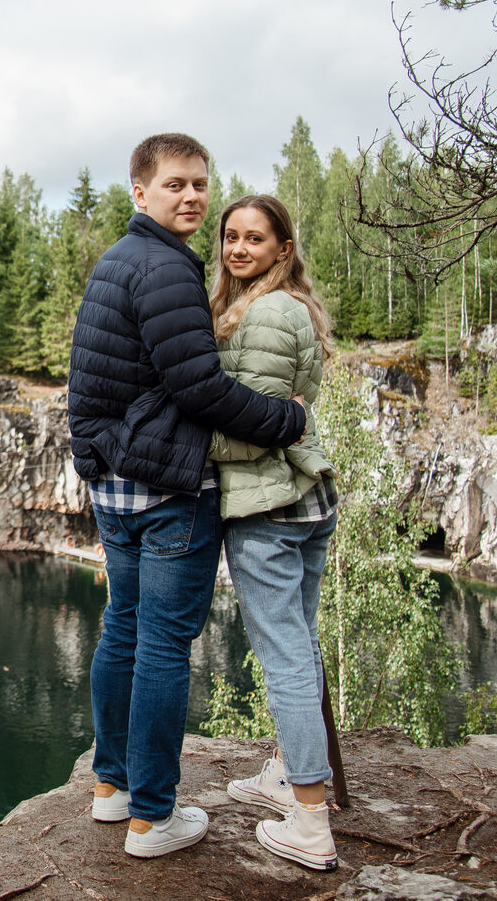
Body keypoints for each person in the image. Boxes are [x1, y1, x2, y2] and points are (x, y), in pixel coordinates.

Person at [67, 133, 307, 859]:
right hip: (167, 486)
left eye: (201, 183)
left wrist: (93, 455)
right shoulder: (167, 267)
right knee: (164, 643)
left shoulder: (119, 259)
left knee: (124, 627)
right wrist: (285, 419)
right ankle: (154, 816)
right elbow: (198, 386)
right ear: (141, 192)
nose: (193, 196)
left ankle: (112, 791)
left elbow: (96, 382)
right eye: (176, 184)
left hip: (114, 479)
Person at [207, 194, 340, 871]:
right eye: (230, 235)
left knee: (285, 655)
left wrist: (195, 446)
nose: (237, 248)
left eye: (254, 239)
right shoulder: (295, 307)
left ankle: (311, 820)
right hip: (310, 497)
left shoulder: (262, 313)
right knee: (301, 645)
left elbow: (250, 426)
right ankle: (289, 771)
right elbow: (290, 410)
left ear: (282, 250)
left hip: (268, 508)